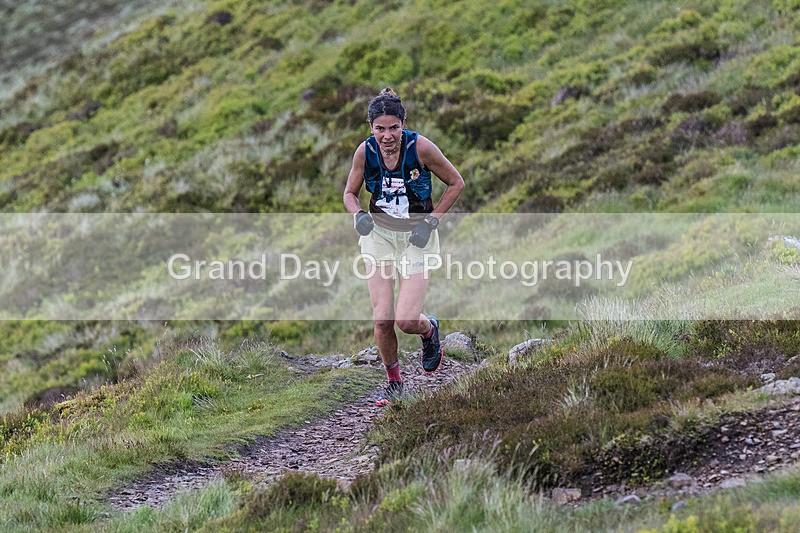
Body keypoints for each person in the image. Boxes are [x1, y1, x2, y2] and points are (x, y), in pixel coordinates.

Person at [343, 88, 465, 406]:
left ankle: (429, 330)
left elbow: (456, 183)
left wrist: (432, 221)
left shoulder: (421, 148)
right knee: (382, 319)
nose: (387, 136)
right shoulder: (364, 152)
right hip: (379, 236)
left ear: (403, 124)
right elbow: (349, 193)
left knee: (406, 321)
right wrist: (358, 217)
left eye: (393, 127)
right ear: (371, 127)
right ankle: (394, 383)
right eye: (380, 128)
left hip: (417, 237)